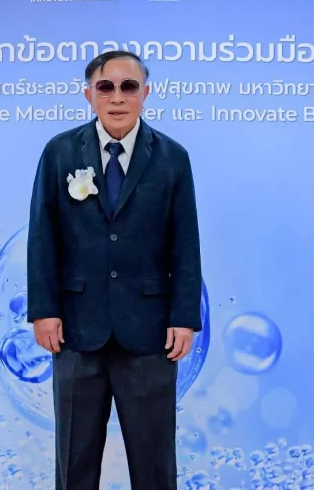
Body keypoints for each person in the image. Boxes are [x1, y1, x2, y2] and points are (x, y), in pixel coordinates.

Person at [26, 49, 204, 490]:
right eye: (106, 87)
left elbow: (184, 242)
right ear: (89, 94)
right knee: (75, 462)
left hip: (150, 334)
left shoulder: (172, 157)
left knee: (155, 465)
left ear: (145, 93)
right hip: (76, 330)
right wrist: (44, 311)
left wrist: (184, 317)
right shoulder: (60, 152)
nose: (117, 97)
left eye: (129, 87)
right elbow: (42, 235)